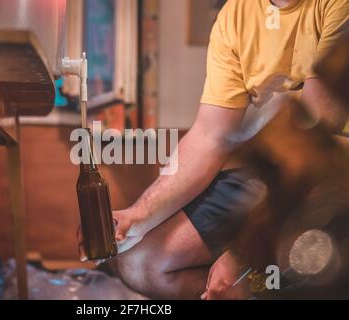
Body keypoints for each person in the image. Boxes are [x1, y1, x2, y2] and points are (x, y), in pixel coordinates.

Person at [80, 0, 349, 300]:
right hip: (262, 173)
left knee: (297, 266)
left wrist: (245, 257)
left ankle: (262, 284)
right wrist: (138, 215)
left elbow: (315, 132)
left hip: (333, 171)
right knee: (138, 264)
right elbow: (210, 135)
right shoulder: (235, 14)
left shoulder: (335, 5)